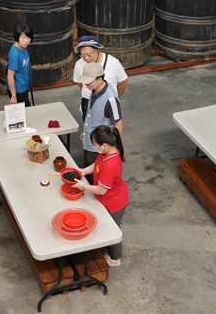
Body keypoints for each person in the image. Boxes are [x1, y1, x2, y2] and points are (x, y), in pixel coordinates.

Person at [73, 125, 128, 267]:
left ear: (104, 145)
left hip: (114, 203)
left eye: (95, 145)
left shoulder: (110, 166)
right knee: (106, 226)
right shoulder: (108, 151)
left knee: (113, 230)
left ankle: (115, 258)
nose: (94, 147)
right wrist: (84, 171)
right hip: (108, 198)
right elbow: (97, 164)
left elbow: (101, 190)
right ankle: (105, 250)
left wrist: (82, 186)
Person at [79, 62, 123, 171]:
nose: (87, 85)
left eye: (89, 82)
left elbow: (118, 124)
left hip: (99, 148)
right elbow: (93, 115)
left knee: (98, 174)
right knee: (88, 172)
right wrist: (86, 131)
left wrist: (114, 149)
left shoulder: (111, 99)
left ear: (100, 79)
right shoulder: (94, 90)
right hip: (89, 143)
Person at [72, 36, 128, 119]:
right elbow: (78, 82)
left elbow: (123, 82)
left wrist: (113, 98)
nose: (86, 58)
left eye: (89, 54)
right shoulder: (79, 64)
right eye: (82, 55)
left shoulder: (113, 62)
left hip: (107, 103)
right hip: (88, 102)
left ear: (97, 50)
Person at [7, 24, 33, 106]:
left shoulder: (23, 47)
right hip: (18, 90)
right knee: (26, 110)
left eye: (28, 38)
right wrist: (14, 96)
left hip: (24, 86)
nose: (26, 41)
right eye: (23, 38)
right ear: (17, 37)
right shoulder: (15, 54)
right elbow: (10, 76)